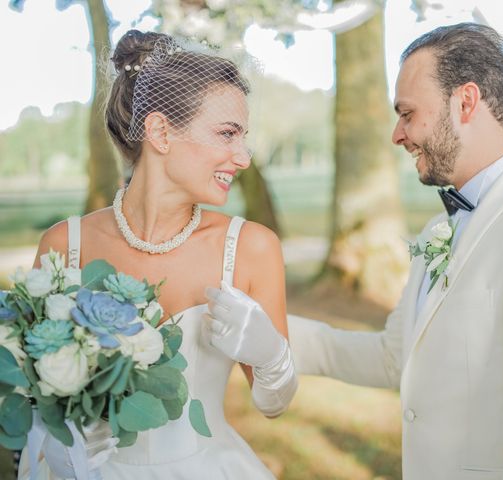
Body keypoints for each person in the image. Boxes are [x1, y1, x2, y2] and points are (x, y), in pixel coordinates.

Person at [288, 22, 503, 480]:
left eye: (407, 113)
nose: (397, 135)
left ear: (465, 102)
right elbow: (395, 357)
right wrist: (274, 334)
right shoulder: (437, 229)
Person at [18, 30, 296, 479]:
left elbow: (274, 404)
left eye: (243, 137)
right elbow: (31, 397)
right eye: (227, 134)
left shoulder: (250, 248)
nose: (242, 157)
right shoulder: (62, 246)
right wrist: (64, 435)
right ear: (160, 131)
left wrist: (271, 356)